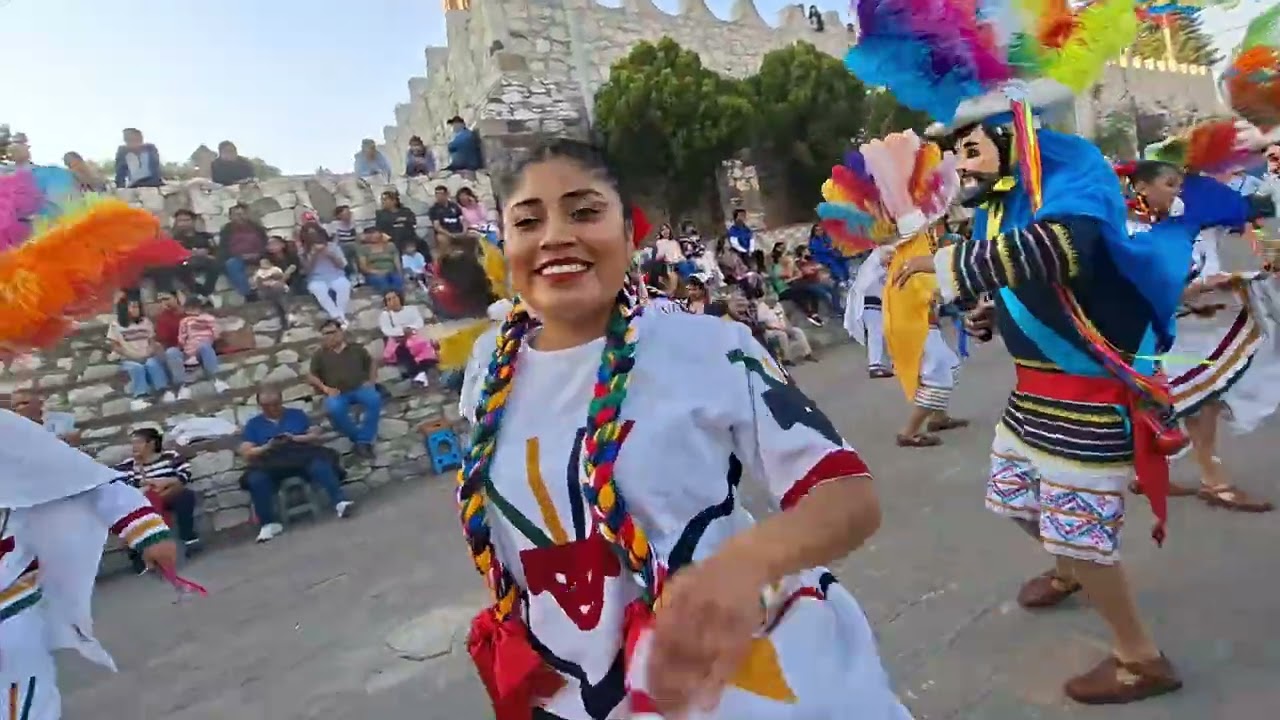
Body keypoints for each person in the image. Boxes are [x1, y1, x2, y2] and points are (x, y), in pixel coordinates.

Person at [455, 138, 904, 719]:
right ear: (506, 244)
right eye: (527, 221)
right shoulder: (489, 365)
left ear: (630, 232)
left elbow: (847, 495)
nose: (555, 235)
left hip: (728, 681)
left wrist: (745, 565)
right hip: (572, 698)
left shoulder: (709, 346)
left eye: (585, 211)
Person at [888, 80, 1228, 702]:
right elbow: (1025, 275)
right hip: (1033, 394)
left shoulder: (1076, 168)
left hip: (1089, 393)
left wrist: (946, 266)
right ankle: (1072, 571)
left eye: (968, 148)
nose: (959, 165)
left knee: (1077, 528)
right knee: (1016, 498)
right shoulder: (1003, 192)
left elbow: (1066, 247)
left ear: (1010, 131)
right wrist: (995, 308)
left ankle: (1139, 657)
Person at [0, 410, 179, 720]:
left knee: (21, 693)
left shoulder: (6, 431)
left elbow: (82, 478)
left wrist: (145, 530)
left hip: (8, 597)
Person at [1123, 160, 1278, 512]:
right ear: (1143, 188)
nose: (1178, 190)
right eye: (1168, 183)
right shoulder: (1129, 232)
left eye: (1180, 183)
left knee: (1173, 399)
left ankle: (1148, 473)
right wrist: (1194, 289)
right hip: (1166, 332)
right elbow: (1133, 291)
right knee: (1198, 399)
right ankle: (1215, 482)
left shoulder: (1194, 224)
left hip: (1202, 325)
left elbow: (1245, 242)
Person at [239, 387, 353, 543]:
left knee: (320, 463)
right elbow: (247, 452)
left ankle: (340, 502)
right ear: (261, 406)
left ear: (281, 402)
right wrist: (268, 446)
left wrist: (295, 438)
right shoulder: (254, 424)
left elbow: (315, 434)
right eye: (267, 406)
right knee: (256, 479)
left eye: (275, 404)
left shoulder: (296, 415)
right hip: (271, 460)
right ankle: (269, 524)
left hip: (299, 453)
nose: (272, 408)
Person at [113, 427, 201, 569]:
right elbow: (116, 481)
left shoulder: (170, 456)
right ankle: (138, 555)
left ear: (152, 443)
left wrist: (167, 482)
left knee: (185, 495)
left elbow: (185, 473)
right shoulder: (129, 465)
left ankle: (188, 537)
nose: (134, 447)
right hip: (145, 502)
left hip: (168, 495)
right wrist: (143, 483)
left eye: (139, 442)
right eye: (133, 443)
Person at [307, 319, 381, 459]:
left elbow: (372, 362)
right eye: (325, 334)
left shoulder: (356, 349)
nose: (330, 336)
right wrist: (326, 388)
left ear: (340, 332)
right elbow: (311, 376)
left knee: (374, 399)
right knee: (335, 409)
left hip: (359, 388)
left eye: (332, 332)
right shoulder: (320, 355)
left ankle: (363, 441)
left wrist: (371, 381)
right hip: (338, 393)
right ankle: (360, 440)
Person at [106, 298, 180, 410]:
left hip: (146, 355)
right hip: (128, 358)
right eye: (133, 307)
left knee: (153, 364)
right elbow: (114, 345)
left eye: (137, 307)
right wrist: (131, 355)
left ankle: (163, 391)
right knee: (137, 368)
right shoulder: (115, 325)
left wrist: (148, 352)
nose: (136, 310)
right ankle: (140, 397)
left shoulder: (146, 322)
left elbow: (152, 341)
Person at [845, 245, 894, 378]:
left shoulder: (882, 268)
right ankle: (875, 365)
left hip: (879, 305)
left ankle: (888, 362)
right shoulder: (871, 267)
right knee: (875, 333)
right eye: (888, 255)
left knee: (884, 333)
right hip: (869, 304)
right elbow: (865, 284)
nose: (890, 257)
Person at [378, 290, 437, 386]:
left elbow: (419, 322)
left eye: (394, 298)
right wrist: (402, 331)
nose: (393, 301)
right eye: (389, 299)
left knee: (425, 346)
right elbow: (386, 330)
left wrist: (410, 329)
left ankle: (424, 371)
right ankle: (418, 374)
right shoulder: (385, 316)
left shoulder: (411, 309)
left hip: (415, 337)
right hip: (398, 340)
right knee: (403, 351)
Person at [176, 297, 230, 393]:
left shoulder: (209, 319)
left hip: (205, 347)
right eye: (190, 308)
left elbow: (216, 332)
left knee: (204, 347)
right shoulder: (184, 321)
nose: (192, 311)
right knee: (194, 350)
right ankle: (185, 383)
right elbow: (182, 337)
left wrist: (214, 339)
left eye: (194, 308)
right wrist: (183, 345)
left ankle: (216, 380)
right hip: (191, 349)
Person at [301, 224, 352, 324]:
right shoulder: (303, 251)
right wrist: (313, 255)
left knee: (344, 286)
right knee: (318, 290)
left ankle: (340, 316)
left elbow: (342, 265)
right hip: (316, 278)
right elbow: (306, 271)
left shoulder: (332, 246)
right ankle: (337, 316)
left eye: (315, 234)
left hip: (336, 275)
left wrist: (329, 254)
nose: (313, 237)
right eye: (309, 235)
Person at [168, 209, 221, 302]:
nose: (183, 224)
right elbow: (173, 254)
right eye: (180, 221)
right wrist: (193, 253)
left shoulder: (205, 236)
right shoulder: (174, 239)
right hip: (185, 263)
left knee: (215, 263)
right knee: (180, 266)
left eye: (186, 220)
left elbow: (215, 250)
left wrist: (208, 254)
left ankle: (206, 292)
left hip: (206, 261)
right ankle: (197, 292)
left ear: (193, 221)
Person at [218, 203, 269, 301]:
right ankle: (249, 295)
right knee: (231, 264)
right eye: (237, 214)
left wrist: (258, 255)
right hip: (238, 258)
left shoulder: (257, 228)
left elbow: (265, 244)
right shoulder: (227, 230)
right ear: (231, 217)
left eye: (242, 214)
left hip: (257, 257)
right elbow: (223, 249)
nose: (240, 217)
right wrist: (241, 256)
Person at [767, 242, 824, 325]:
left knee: (812, 292)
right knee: (799, 295)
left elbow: (797, 274)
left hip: (789, 287)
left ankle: (814, 314)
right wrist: (791, 267)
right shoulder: (775, 268)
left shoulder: (783, 265)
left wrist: (792, 276)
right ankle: (810, 314)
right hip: (782, 291)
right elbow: (787, 275)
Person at [757, 292, 816, 364]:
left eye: (775, 302)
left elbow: (784, 317)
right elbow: (762, 325)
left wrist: (789, 327)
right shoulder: (761, 308)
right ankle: (786, 359)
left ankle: (807, 353)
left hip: (783, 327)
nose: (775, 304)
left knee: (798, 331)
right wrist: (776, 328)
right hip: (770, 331)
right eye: (773, 302)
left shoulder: (778, 305)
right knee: (782, 335)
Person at [357, 227, 404, 294]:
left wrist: (400, 273)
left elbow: (397, 262)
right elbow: (363, 267)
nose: (372, 235)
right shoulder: (364, 248)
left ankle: (399, 300)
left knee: (397, 280)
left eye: (374, 233)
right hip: (374, 274)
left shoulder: (390, 246)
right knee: (382, 281)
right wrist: (377, 272)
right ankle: (388, 299)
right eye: (370, 233)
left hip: (391, 272)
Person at [374, 189, 419, 254]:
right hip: (391, 241)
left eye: (385, 199)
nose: (383, 202)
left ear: (394, 201)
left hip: (408, 239)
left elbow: (413, 225)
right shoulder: (381, 214)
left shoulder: (406, 212)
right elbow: (380, 230)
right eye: (382, 200)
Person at [253, 254, 291, 326]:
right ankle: (276, 314)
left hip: (278, 289)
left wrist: (271, 277)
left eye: (265, 262)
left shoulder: (275, 269)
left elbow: (279, 276)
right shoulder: (259, 272)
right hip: (266, 290)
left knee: (278, 291)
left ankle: (285, 313)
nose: (264, 264)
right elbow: (257, 281)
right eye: (262, 263)